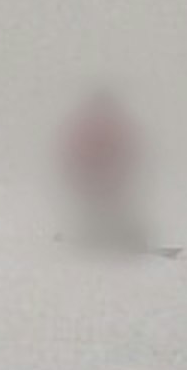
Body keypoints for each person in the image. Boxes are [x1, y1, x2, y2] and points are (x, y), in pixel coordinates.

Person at [59, 85, 150, 253]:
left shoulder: (89, 124)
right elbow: (128, 151)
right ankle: (108, 237)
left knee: (104, 209)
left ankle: (103, 237)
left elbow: (74, 152)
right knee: (108, 209)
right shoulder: (109, 124)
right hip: (102, 176)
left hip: (98, 176)